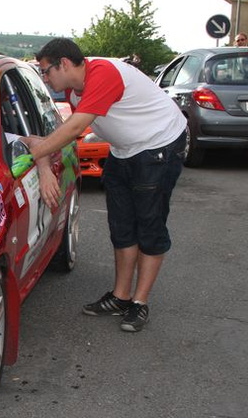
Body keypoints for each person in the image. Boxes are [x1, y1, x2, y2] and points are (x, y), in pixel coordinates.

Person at [30, 38, 187, 333]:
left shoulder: (102, 73)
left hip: (158, 148)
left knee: (149, 226)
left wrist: (31, 157)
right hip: (123, 151)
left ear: (63, 63)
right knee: (122, 226)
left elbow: (75, 128)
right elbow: (64, 129)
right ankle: (120, 296)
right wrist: (42, 162)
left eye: (46, 71)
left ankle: (139, 303)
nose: (45, 78)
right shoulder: (72, 88)